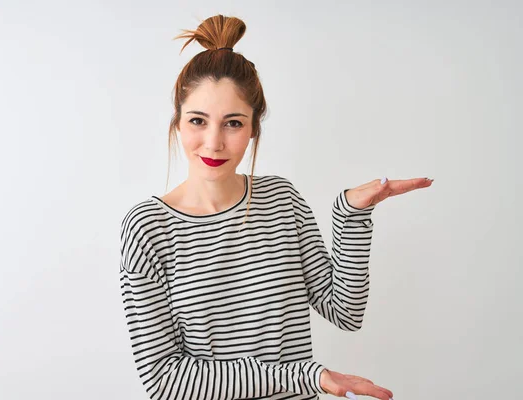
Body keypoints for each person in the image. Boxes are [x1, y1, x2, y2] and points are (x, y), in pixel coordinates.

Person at [120, 14, 433, 400]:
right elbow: (165, 381)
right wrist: (304, 376)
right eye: (198, 120)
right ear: (178, 123)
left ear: (253, 128)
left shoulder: (281, 200)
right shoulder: (147, 228)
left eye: (233, 123)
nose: (213, 142)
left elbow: (345, 313)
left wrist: (349, 216)